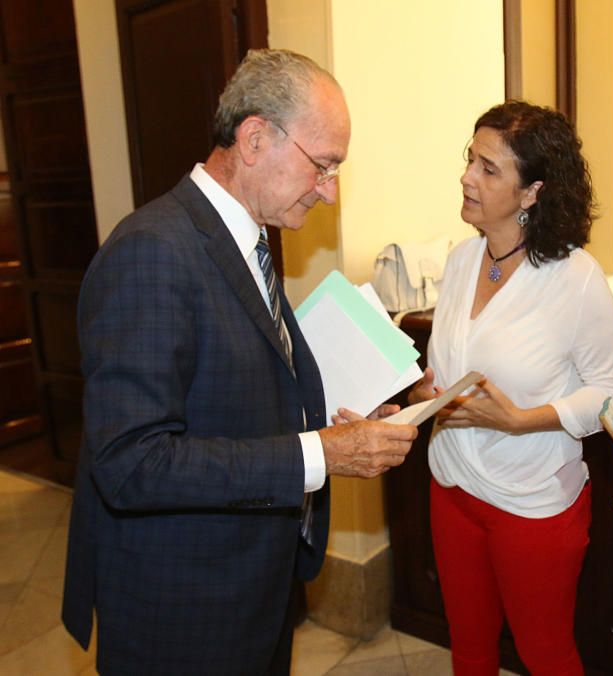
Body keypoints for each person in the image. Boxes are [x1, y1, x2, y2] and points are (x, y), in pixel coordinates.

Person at [61, 49, 417, 675]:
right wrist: (324, 454)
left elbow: (233, 379)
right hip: (184, 609)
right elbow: (132, 461)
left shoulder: (247, 235)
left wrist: (336, 422)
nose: (330, 193)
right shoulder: (152, 252)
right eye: (324, 166)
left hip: (255, 581)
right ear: (255, 139)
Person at [409, 101, 613, 675]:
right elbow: (455, 365)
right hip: (451, 483)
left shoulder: (575, 278)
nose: (466, 176)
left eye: (488, 168)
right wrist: (423, 395)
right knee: (470, 649)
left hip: (532, 505)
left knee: (546, 654)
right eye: (469, 159)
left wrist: (521, 420)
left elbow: (611, 395)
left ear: (531, 192)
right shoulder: (461, 260)